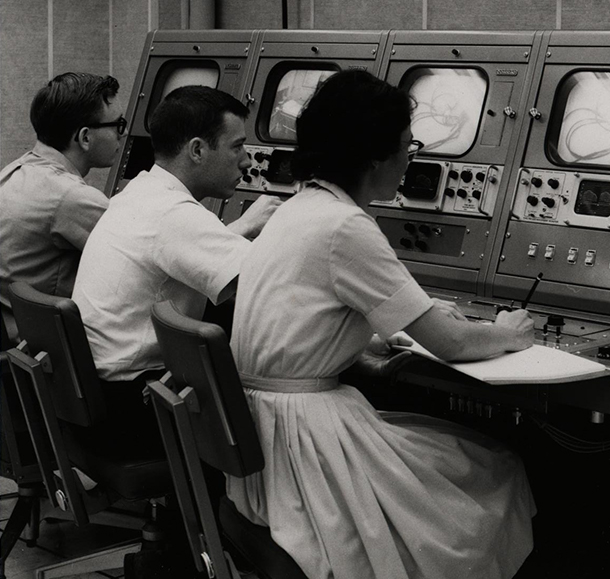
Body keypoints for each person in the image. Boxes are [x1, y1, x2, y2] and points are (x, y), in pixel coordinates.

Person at [227, 70, 536, 578]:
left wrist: (375, 334)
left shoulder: (297, 208)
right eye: (407, 147)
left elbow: (307, 314)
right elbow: (452, 342)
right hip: (308, 446)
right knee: (494, 468)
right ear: (375, 156)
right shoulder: (347, 225)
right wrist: (510, 331)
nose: (407, 160)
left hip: (269, 436)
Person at [71, 86, 281, 445]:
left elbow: (178, 250)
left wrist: (241, 229)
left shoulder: (140, 192)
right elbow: (268, 289)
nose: (247, 161)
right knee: (287, 411)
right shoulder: (174, 214)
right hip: (136, 409)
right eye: (237, 146)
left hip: (98, 399)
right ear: (197, 150)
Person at [0, 73, 124, 339]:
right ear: (85, 137)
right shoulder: (71, 197)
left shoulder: (13, 172)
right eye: (118, 125)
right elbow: (144, 257)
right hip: (47, 352)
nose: (121, 136)